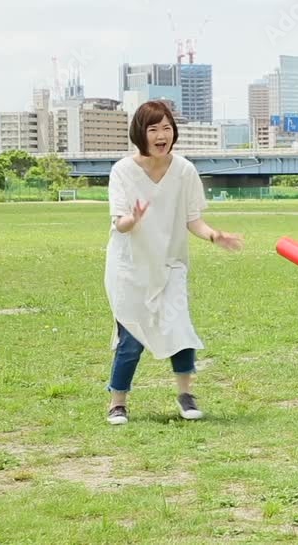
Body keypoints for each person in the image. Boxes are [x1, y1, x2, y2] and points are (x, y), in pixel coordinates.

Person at [103, 100, 243, 425]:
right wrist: (133, 218)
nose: (161, 135)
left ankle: (185, 394)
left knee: (180, 329)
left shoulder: (184, 170)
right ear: (140, 133)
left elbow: (193, 220)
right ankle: (117, 402)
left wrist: (214, 236)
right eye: (153, 129)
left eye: (166, 128)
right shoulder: (122, 171)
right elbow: (120, 224)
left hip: (170, 264)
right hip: (129, 267)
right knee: (131, 337)